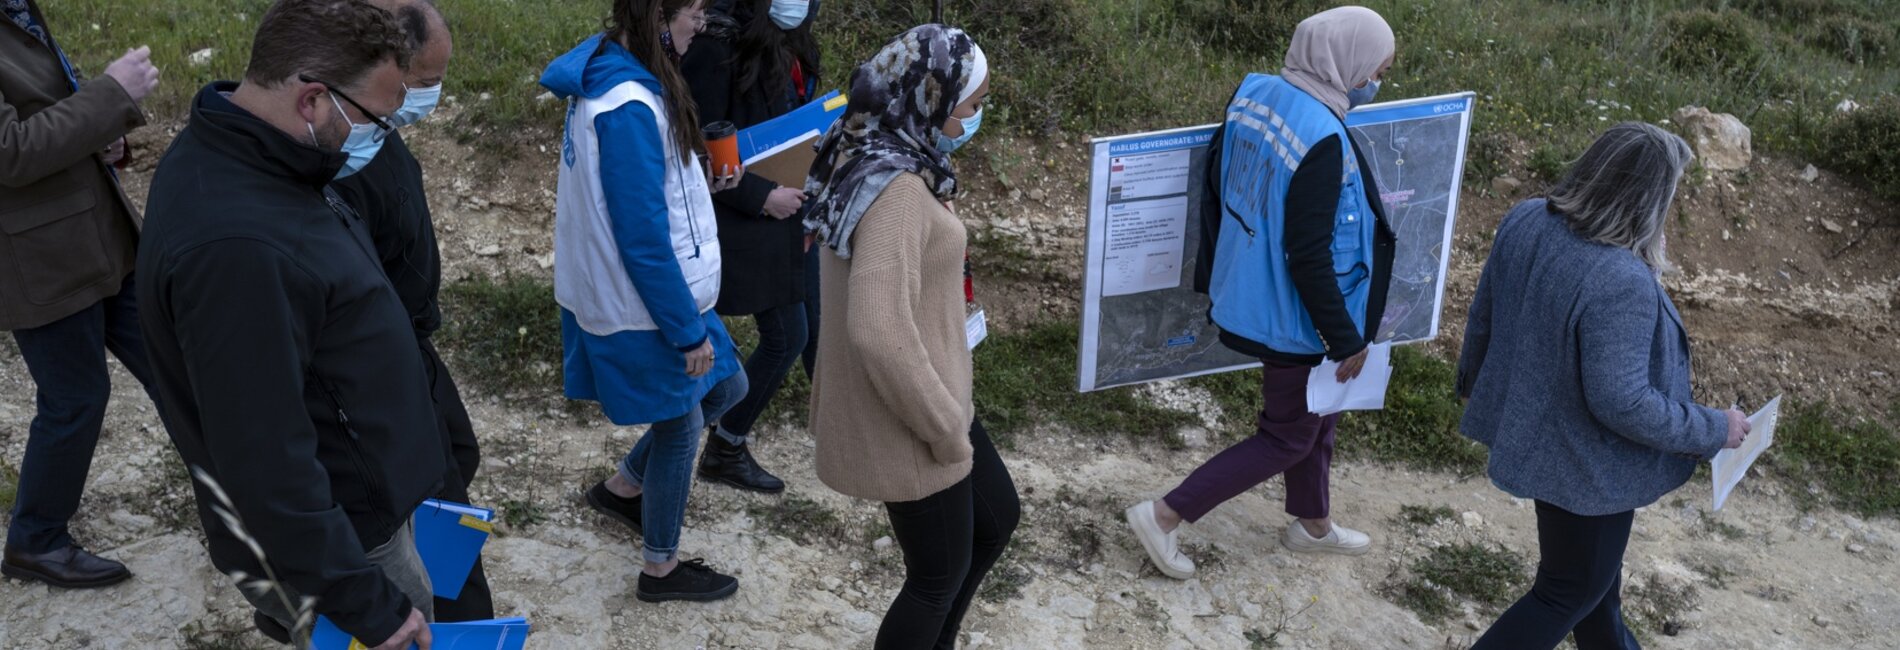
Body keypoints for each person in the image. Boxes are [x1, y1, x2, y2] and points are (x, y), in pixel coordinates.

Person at [136, 1, 443, 648]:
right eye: (374, 120)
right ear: (312, 100)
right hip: (351, 545)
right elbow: (264, 461)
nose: (382, 135)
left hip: (364, 504)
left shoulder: (247, 152)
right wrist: (367, 606)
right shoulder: (237, 248)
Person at [1125, 5, 1398, 579]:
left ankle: (1312, 523)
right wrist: (1344, 336)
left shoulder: (1259, 95)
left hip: (1252, 284)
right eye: (1375, 70)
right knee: (1287, 435)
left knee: (1318, 412)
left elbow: (1221, 184)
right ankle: (1166, 515)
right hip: (1292, 315)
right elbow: (1308, 254)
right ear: (1345, 63)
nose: (1376, 82)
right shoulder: (1323, 138)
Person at [1461, 122, 1749, 649]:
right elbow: (1623, 400)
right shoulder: (1620, 279)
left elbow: (1484, 315)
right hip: (1586, 470)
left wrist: (1478, 390)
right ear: (1645, 199)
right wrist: (1715, 428)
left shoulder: (1527, 218)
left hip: (1538, 440)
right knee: (1566, 593)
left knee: (1596, 590)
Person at [805, 24, 1020, 649]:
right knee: (935, 576)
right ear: (930, 94)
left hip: (931, 396)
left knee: (995, 519)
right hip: (911, 415)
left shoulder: (882, 150)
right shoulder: (895, 190)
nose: (978, 117)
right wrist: (945, 428)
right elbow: (876, 330)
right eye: (972, 105)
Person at [545, 0, 751, 603]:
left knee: (727, 387)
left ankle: (626, 487)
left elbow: (644, 190)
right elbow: (639, 236)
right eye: (694, 15)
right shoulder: (628, 105)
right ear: (659, 14)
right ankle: (660, 570)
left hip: (658, 292)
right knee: (682, 424)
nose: (701, 28)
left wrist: (702, 179)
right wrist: (685, 332)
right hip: (645, 302)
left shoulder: (619, 72)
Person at [329, 0, 494, 622]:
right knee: (430, 493)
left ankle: (449, 593)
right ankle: (453, 616)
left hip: (410, 343)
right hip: (380, 364)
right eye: (424, 83)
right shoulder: (344, 156)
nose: (431, 97)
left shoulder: (382, 131)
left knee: (456, 456)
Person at [0, 0, 162, 590]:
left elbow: (44, 110)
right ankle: (35, 541)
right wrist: (112, 92)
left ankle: (249, 502)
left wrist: (104, 140)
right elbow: (10, 152)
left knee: (178, 363)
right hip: (39, 261)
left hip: (102, 234)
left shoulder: (16, 8)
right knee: (76, 399)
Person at [679, 0, 824, 495]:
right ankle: (722, 446)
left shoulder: (794, 37)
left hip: (793, 212)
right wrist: (763, 197)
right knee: (788, 336)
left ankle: (837, 431)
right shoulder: (714, 47)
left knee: (813, 330)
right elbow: (695, 149)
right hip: (746, 218)